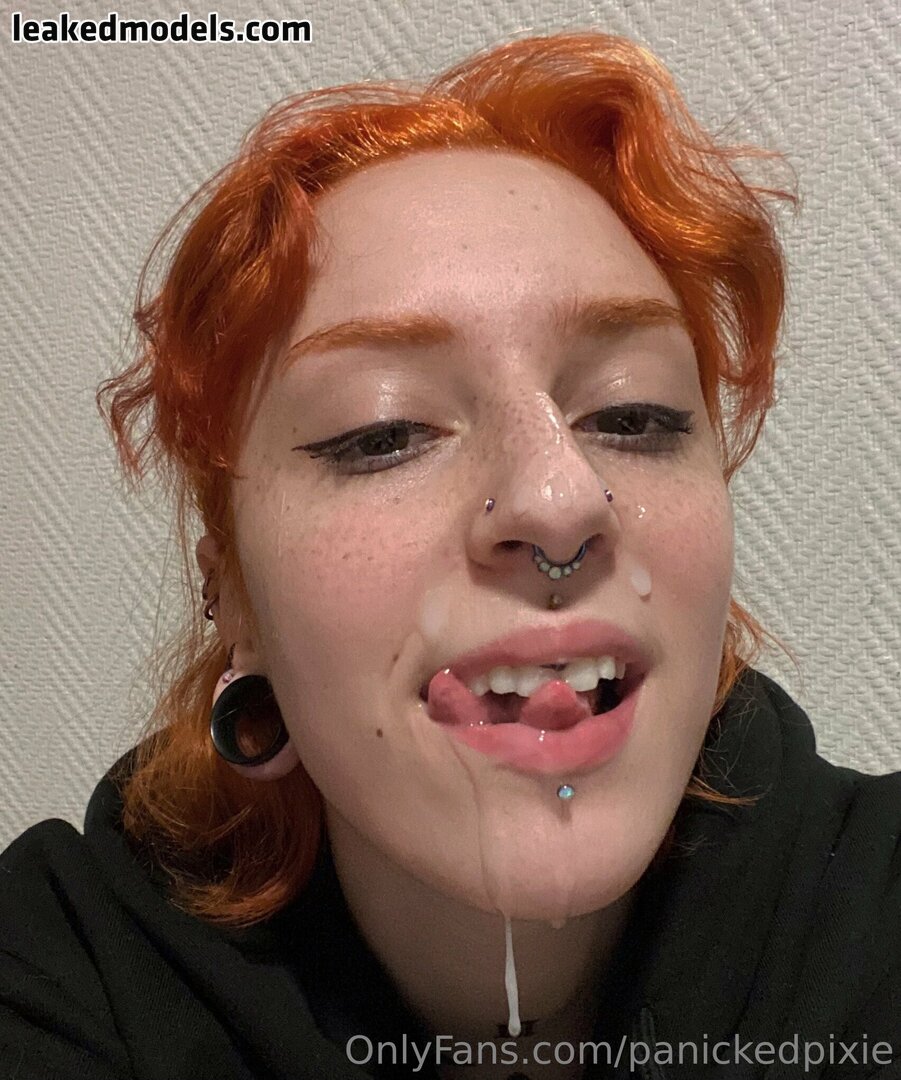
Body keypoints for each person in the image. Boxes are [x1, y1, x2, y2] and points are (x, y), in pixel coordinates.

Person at [2, 30, 900, 1080]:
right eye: (382, 432)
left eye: (634, 413)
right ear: (230, 594)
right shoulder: (58, 975)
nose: (560, 499)